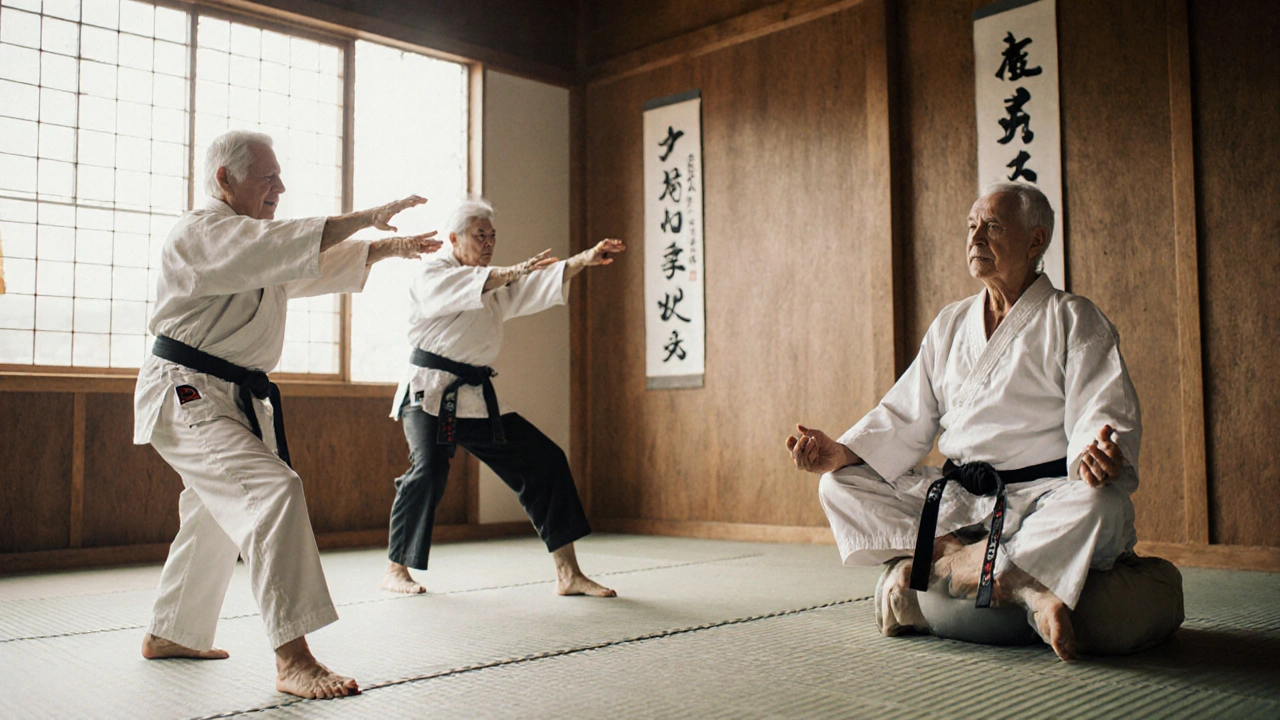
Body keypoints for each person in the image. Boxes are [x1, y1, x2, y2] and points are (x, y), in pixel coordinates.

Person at [133, 129, 441, 698]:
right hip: (187, 391)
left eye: (279, 176)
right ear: (225, 179)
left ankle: (172, 631)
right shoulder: (200, 233)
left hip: (230, 397)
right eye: (267, 177)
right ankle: (292, 657)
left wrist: (384, 248)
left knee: (216, 511)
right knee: (271, 492)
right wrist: (368, 217)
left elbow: (298, 267)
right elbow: (277, 250)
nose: (281, 187)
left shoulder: (251, 244)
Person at [786, 182, 1141, 661]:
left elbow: (1100, 411)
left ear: (1036, 241)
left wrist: (1096, 457)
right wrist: (842, 453)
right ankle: (1005, 579)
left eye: (992, 227)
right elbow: (904, 414)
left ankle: (948, 572)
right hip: (959, 502)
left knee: (1103, 505)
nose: (975, 239)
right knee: (837, 486)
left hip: (1040, 498)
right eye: (972, 226)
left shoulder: (1074, 319)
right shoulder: (952, 323)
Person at [380, 197, 626, 598]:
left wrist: (583, 258)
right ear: (454, 238)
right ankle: (396, 568)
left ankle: (568, 573)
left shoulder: (490, 281)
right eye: (480, 236)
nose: (489, 242)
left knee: (545, 461)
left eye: (493, 236)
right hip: (429, 392)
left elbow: (527, 286)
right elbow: (495, 281)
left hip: (474, 396)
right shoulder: (434, 274)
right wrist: (512, 271)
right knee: (428, 472)